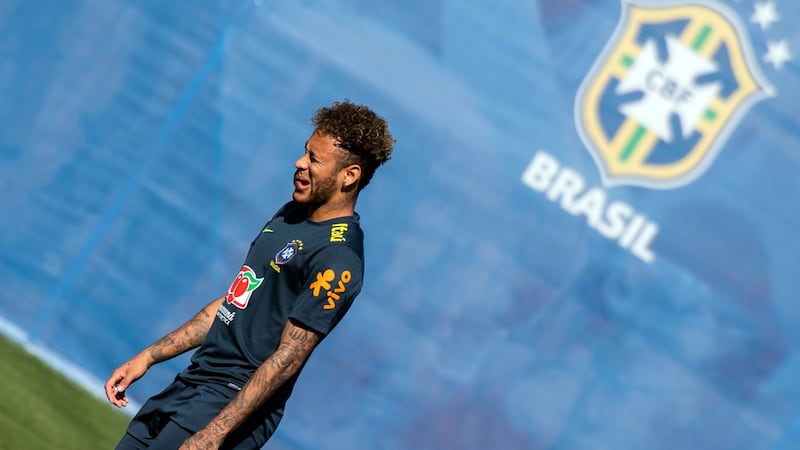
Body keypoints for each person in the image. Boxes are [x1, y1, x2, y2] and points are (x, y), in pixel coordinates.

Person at [105, 100, 395, 449]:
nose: (299, 163)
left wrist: (214, 434)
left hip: (228, 404)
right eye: (304, 151)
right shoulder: (290, 214)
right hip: (193, 382)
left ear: (350, 175)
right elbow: (235, 302)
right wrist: (148, 357)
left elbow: (288, 358)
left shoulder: (338, 257)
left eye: (314, 159)